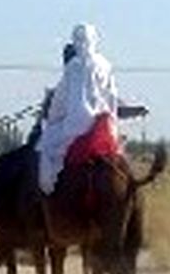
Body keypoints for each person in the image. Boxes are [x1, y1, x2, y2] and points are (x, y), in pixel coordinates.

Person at [35, 24, 121, 195]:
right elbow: (111, 98)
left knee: (44, 146)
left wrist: (51, 120)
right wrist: (112, 124)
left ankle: (47, 190)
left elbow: (60, 100)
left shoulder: (73, 67)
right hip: (101, 126)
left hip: (75, 128)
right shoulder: (105, 65)